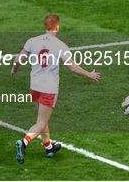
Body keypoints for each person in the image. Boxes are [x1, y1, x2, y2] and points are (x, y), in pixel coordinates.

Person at [11, 14, 101, 164]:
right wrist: (89, 74)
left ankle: (48, 147)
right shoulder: (60, 45)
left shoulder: (32, 41)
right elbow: (72, 68)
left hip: (34, 87)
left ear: (45, 26)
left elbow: (20, 59)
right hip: (49, 89)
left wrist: (14, 69)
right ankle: (23, 142)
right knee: (41, 122)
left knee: (42, 120)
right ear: (57, 27)